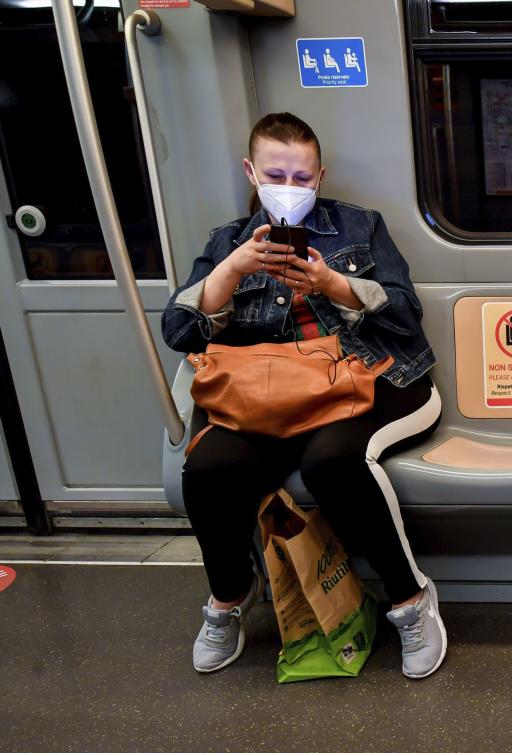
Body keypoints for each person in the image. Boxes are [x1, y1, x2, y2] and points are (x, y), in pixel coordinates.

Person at [162, 112, 447, 680]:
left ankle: (410, 601)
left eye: (302, 176)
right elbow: (179, 330)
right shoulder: (227, 242)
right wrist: (232, 271)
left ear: (320, 176)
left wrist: (333, 285)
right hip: (266, 395)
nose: (289, 188)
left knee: (333, 461)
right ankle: (228, 601)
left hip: (368, 377)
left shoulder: (358, 226)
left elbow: (405, 317)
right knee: (209, 467)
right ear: (251, 172)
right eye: (276, 175)